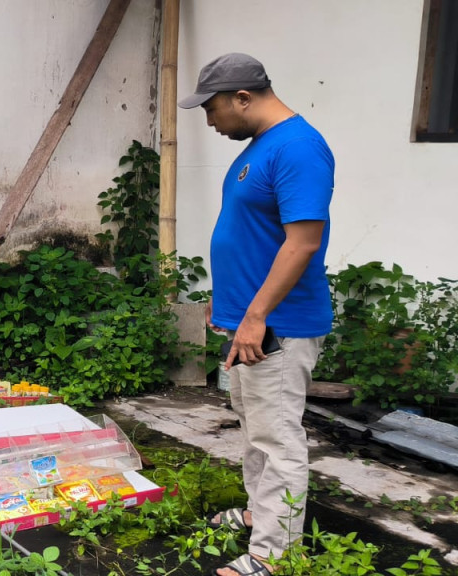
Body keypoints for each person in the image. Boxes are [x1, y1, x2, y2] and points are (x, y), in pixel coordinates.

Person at [179, 53, 334, 576]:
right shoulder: (262, 147)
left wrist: (256, 315)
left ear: (243, 98)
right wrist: (225, 304)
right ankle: (259, 513)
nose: (209, 121)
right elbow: (252, 237)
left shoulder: (299, 149)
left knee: (278, 438)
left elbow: (302, 242)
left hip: (278, 328)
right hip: (250, 323)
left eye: (212, 109)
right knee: (255, 429)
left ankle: (275, 556)